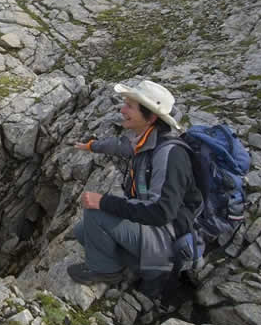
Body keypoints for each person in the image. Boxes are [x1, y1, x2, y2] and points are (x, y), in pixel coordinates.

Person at [67, 80, 202, 294]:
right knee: (83, 231)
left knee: (96, 212)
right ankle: (136, 268)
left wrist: (104, 202)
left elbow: (161, 212)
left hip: (168, 237)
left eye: (130, 106)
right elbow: (120, 146)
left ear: (152, 117)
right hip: (155, 230)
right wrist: (91, 146)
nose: (122, 110)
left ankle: (108, 271)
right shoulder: (147, 140)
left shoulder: (170, 155)